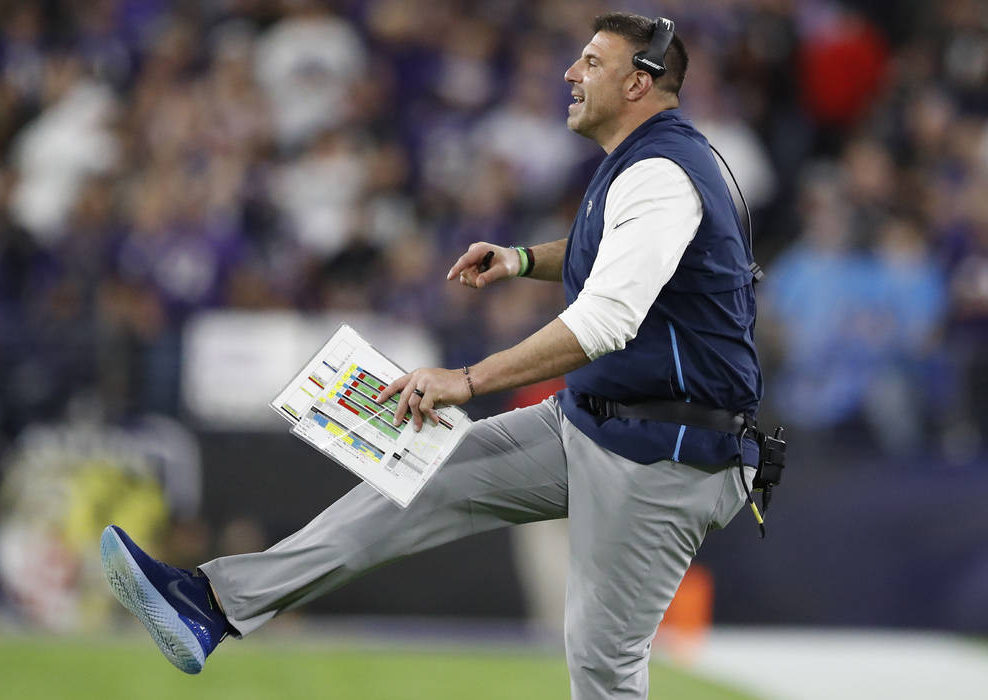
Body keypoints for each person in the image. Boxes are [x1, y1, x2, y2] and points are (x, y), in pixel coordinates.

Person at [100, 12, 763, 699]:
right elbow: (612, 254)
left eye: (592, 63)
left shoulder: (660, 173)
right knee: (418, 479)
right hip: (601, 422)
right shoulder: (641, 162)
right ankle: (212, 604)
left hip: (664, 452)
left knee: (602, 668)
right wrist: (523, 259)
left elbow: (606, 320)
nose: (571, 73)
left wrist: (467, 379)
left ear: (639, 82)